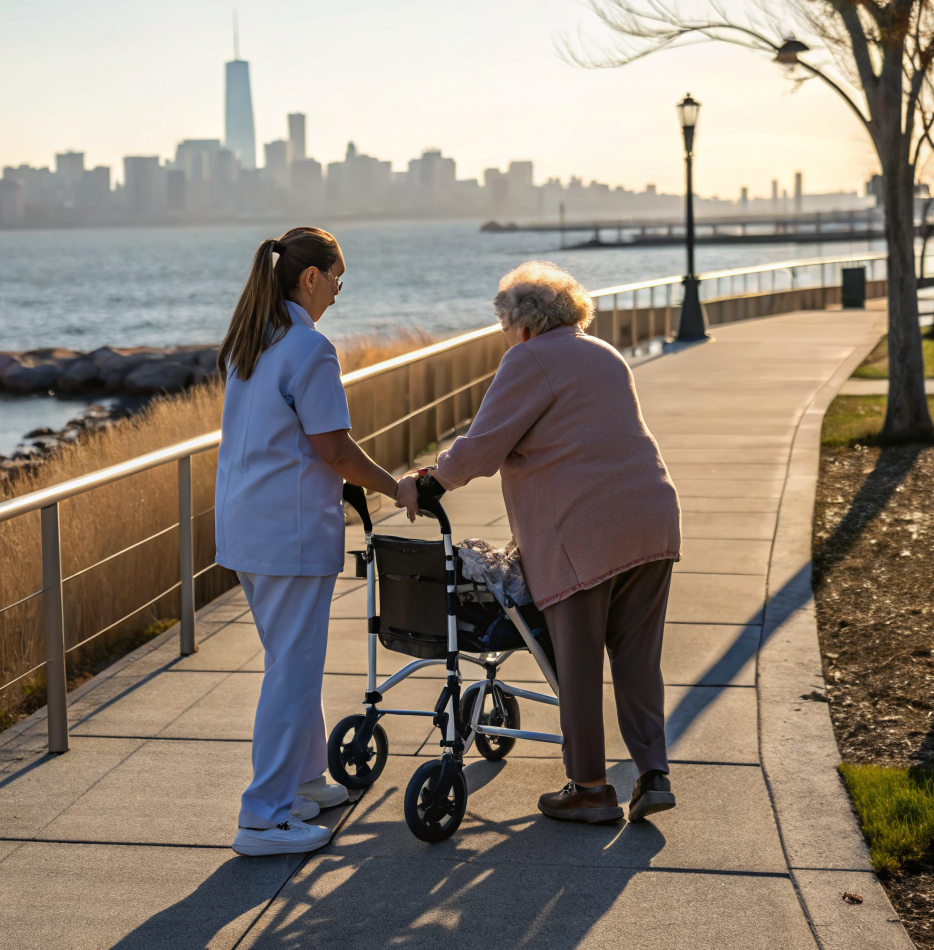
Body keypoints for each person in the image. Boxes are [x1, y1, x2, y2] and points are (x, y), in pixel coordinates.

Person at [395, 261, 682, 825]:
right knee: (637, 657)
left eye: (504, 327)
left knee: (576, 662)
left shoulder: (529, 358)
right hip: (652, 516)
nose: (506, 337)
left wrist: (428, 481)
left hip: (584, 532)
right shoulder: (603, 353)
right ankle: (653, 774)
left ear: (522, 325)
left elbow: (481, 446)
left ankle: (592, 788)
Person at [216, 226, 402, 856]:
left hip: (248, 528)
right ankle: (263, 817)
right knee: (291, 672)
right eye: (338, 276)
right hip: (290, 535)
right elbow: (334, 448)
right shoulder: (310, 349)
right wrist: (394, 487)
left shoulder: (255, 345)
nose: (341, 289)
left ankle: (304, 781)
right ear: (311, 277)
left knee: (290, 664)